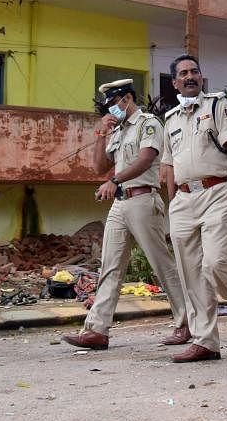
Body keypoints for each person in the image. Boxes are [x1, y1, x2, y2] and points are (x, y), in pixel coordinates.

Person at [61, 79, 190, 351]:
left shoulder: (149, 124)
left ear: (127, 99)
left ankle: (187, 322)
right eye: (108, 105)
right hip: (120, 203)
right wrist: (100, 135)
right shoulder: (118, 131)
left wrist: (115, 181)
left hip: (143, 199)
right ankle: (96, 330)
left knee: (161, 265)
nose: (111, 108)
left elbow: (144, 159)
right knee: (109, 266)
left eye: (114, 102)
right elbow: (98, 168)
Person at [159, 54, 227, 363]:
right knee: (190, 272)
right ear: (174, 81)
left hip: (217, 191)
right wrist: (172, 203)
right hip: (182, 200)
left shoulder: (217, 105)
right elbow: (168, 166)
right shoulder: (170, 119)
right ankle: (205, 341)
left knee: (215, 262)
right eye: (183, 73)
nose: (190, 76)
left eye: (195, 71)